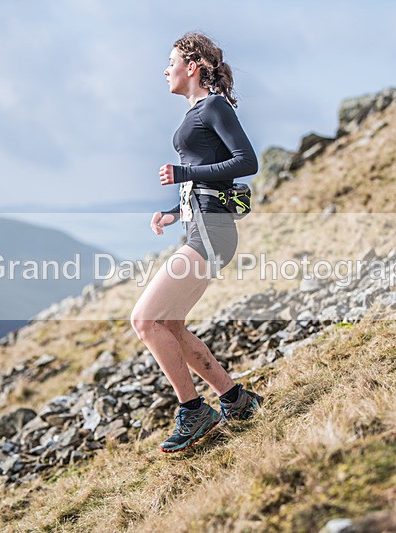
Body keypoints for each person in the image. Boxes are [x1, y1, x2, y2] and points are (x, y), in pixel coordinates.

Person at [129, 31, 264, 453]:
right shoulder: (197, 112)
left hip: (213, 231)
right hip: (201, 225)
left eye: (171, 61)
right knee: (168, 324)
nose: (165, 70)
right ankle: (235, 401)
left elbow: (247, 161)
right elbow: (210, 175)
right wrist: (174, 212)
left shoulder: (214, 106)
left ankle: (194, 410)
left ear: (192, 67)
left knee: (144, 321)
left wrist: (184, 175)